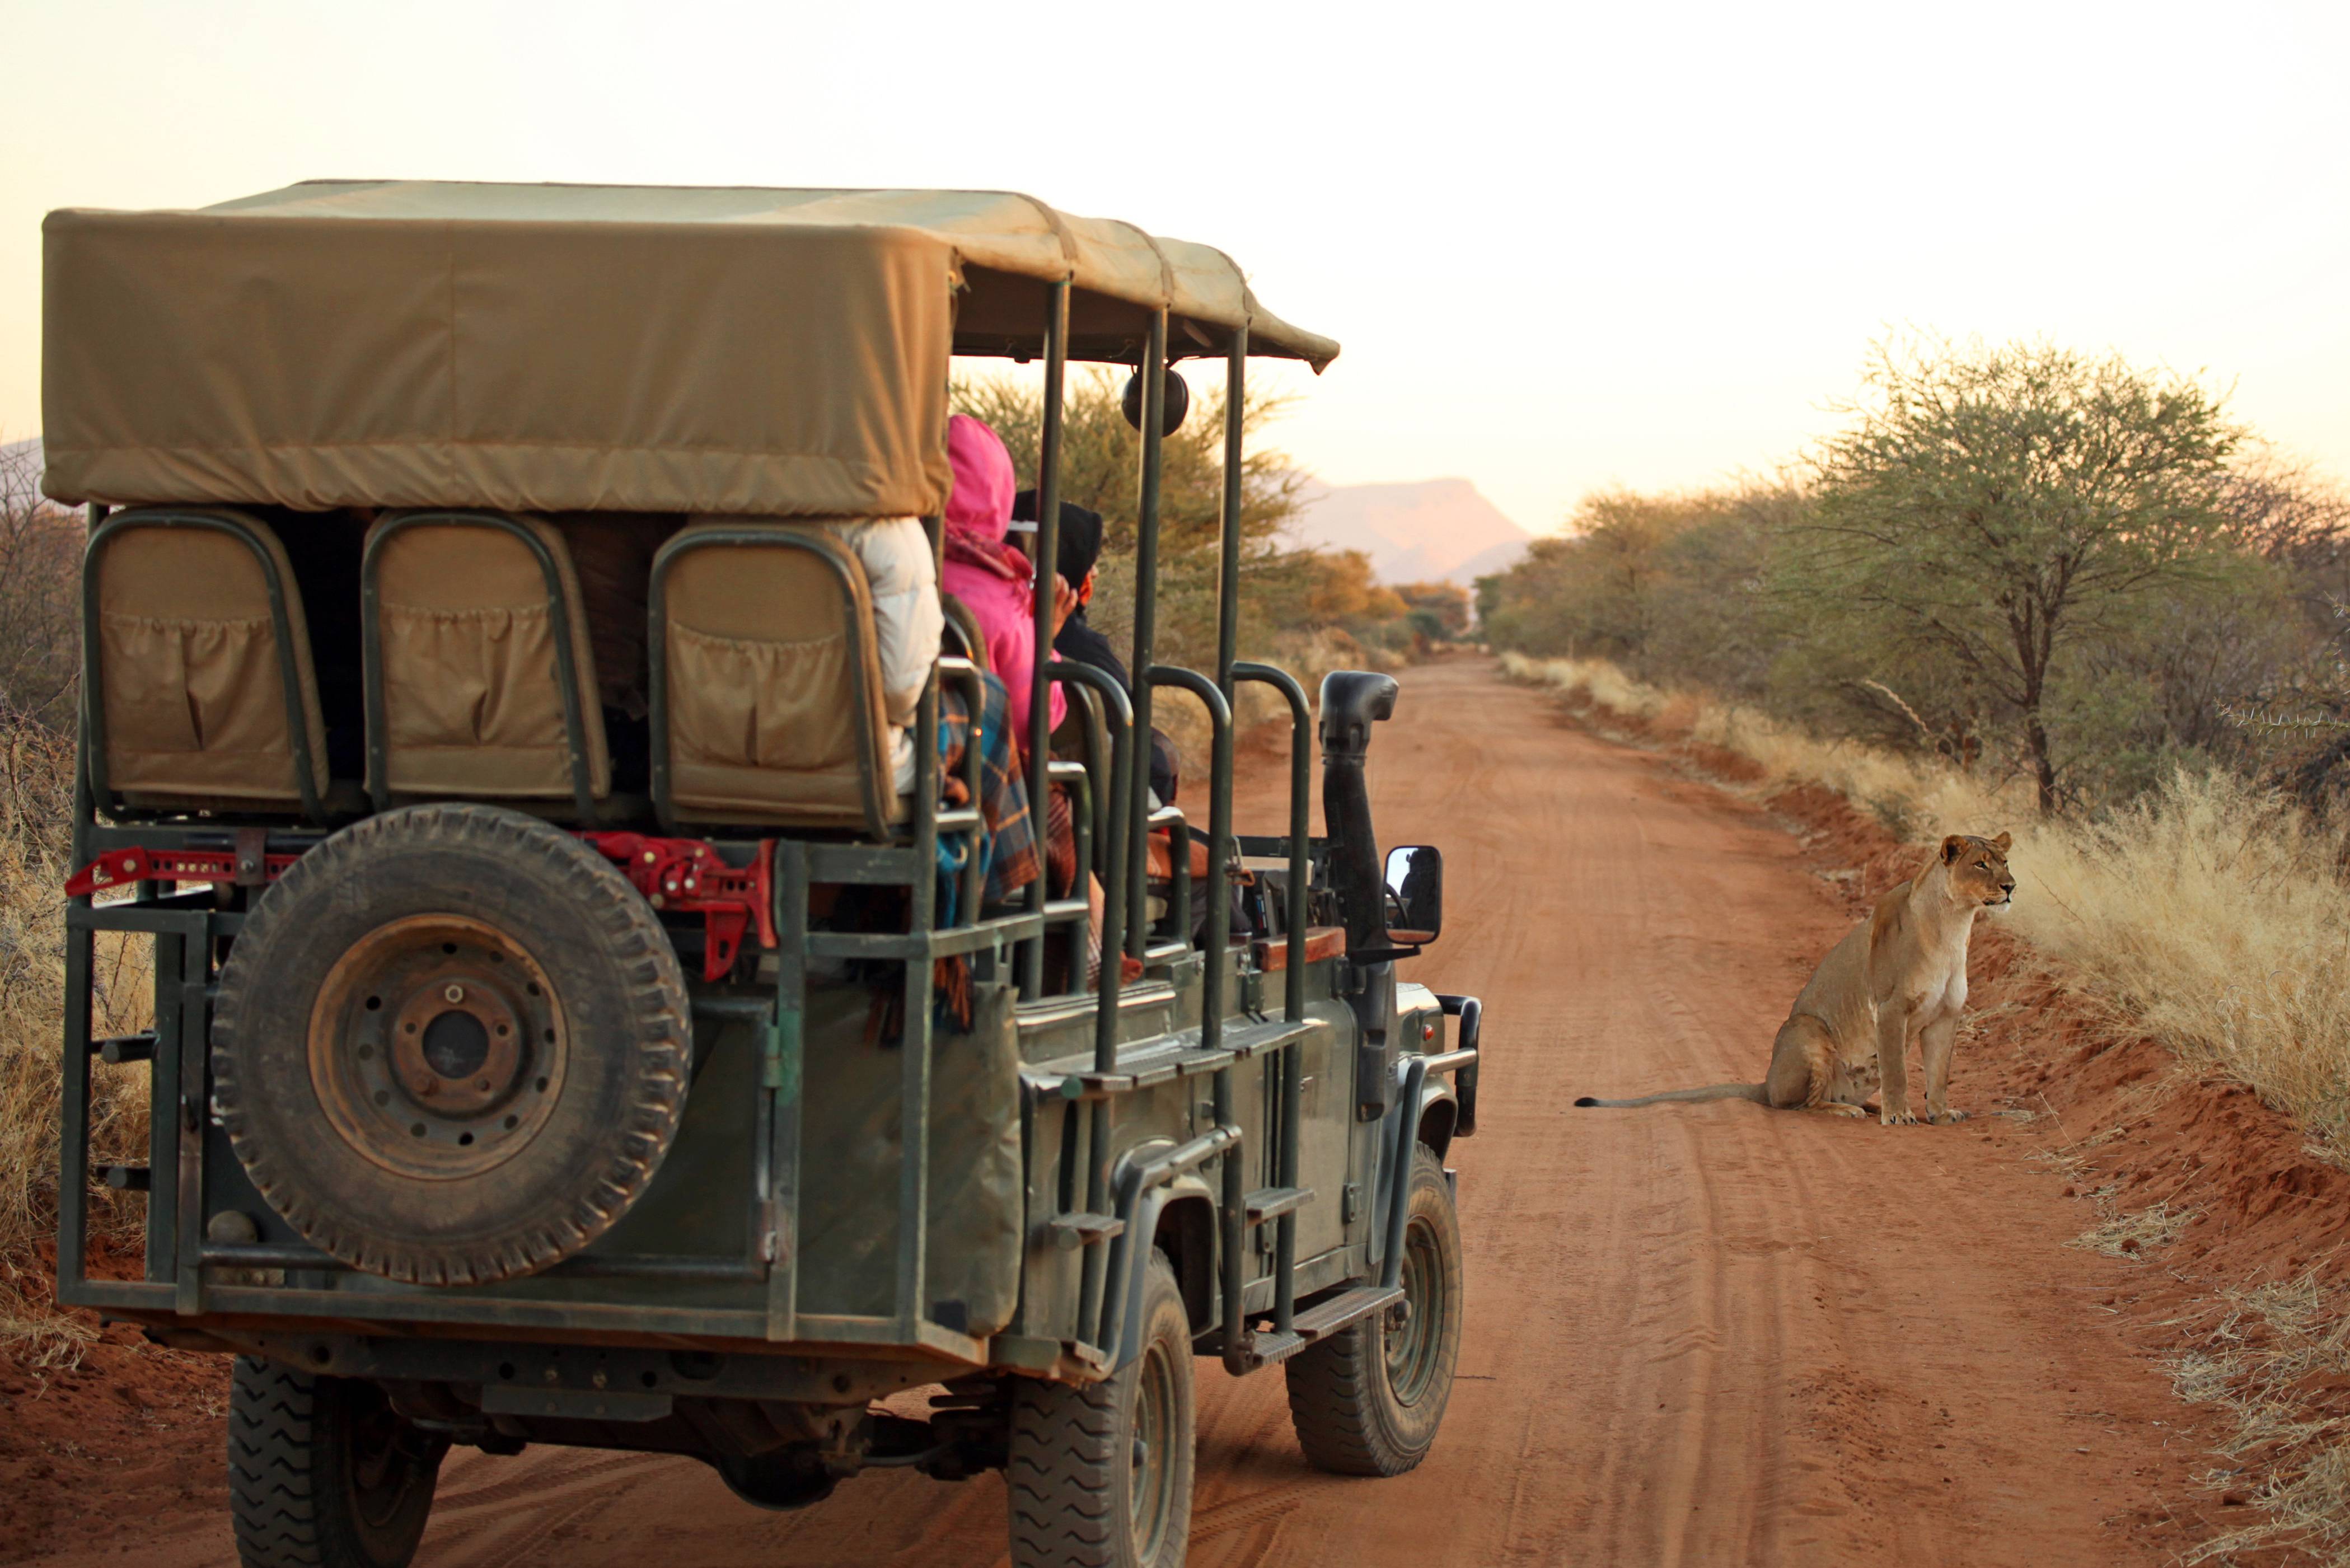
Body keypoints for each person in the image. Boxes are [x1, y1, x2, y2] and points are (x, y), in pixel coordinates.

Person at [1008, 489, 1181, 808]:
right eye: (1088, 563)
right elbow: (1134, 748)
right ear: (1067, 572)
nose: (1095, 573)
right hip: (1081, 809)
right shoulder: (1084, 651)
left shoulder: (978, 618)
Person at [940, 416, 1073, 746]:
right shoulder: (1005, 598)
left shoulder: (898, 565)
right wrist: (1045, 641)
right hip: (975, 766)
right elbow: (1032, 725)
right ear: (1001, 492)